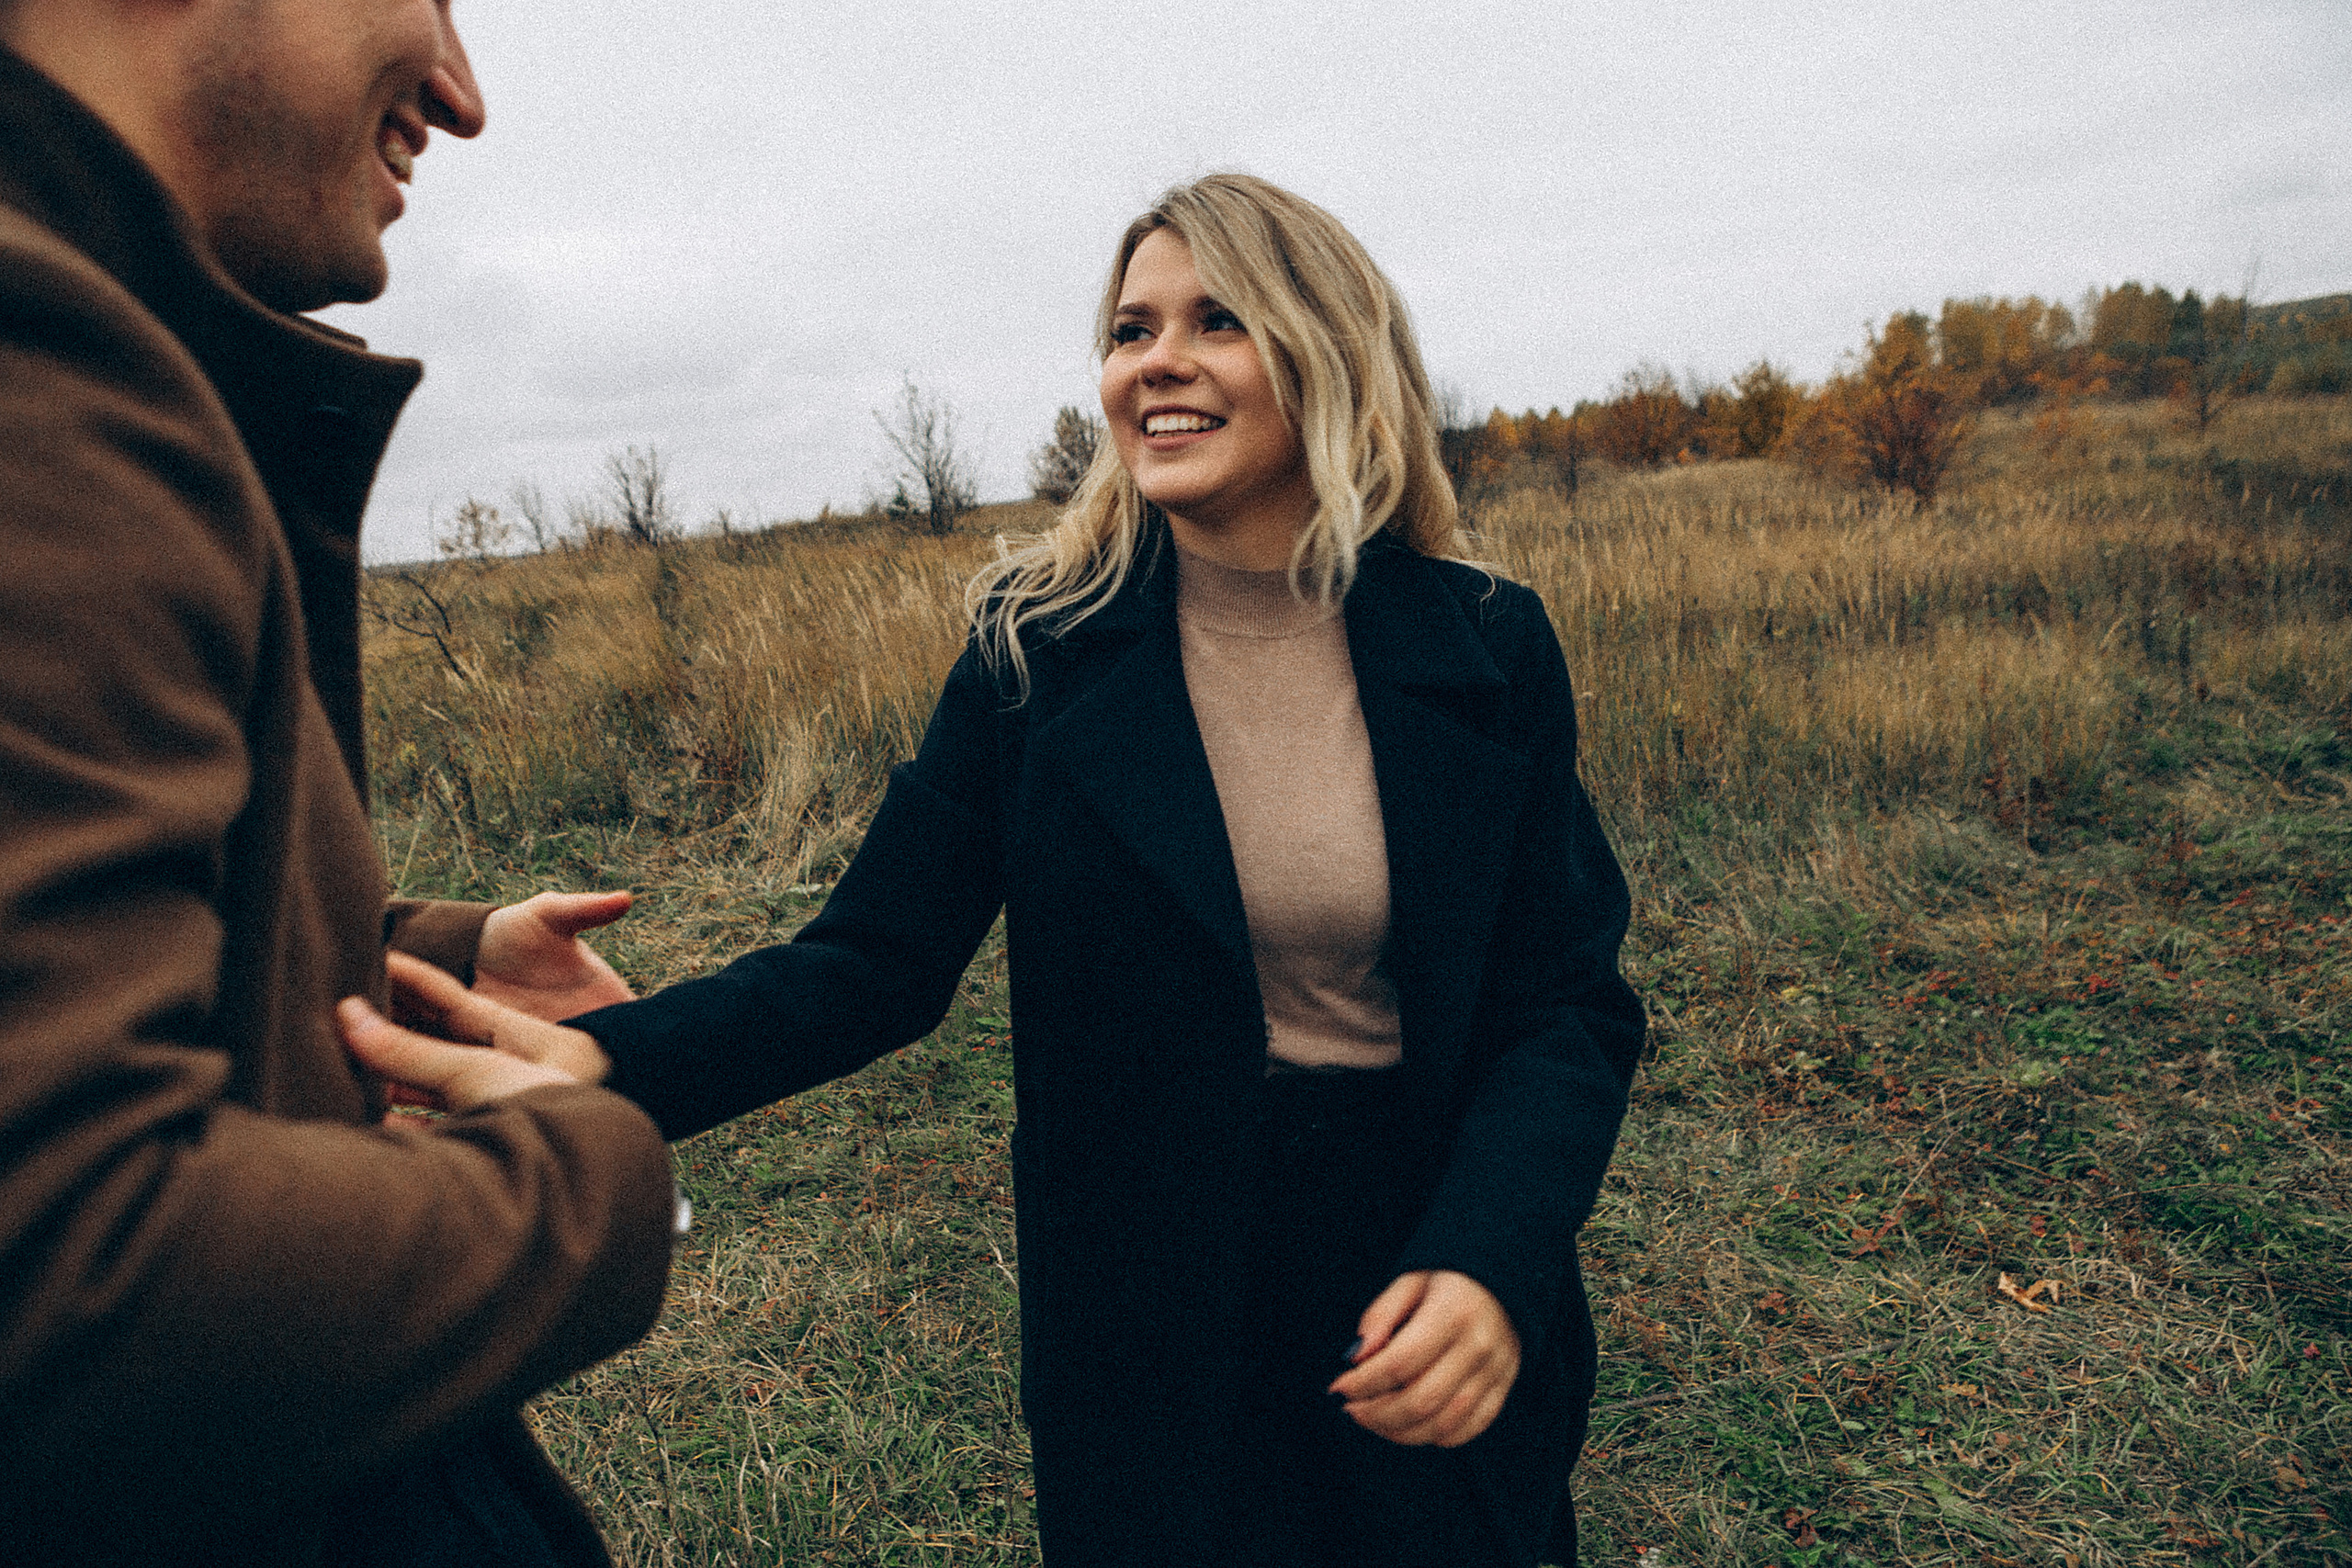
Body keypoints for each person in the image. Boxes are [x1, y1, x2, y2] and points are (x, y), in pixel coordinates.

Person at [361, 174, 1645, 1566]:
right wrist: (612, 1065)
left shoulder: (1486, 645)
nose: (1156, 360)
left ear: (1327, 351)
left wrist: (1493, 1256)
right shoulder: (1038, 654)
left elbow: (1563, 1001)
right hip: (1153, 1302)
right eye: (1128, 327)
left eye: (1216, 321)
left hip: (1423, 1255)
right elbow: (873, 966)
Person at [0, 3, 680, 1562]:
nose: (461, 91)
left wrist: (417, 957)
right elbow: (70, 1275)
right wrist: (593, 1182)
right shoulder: (43, 367)